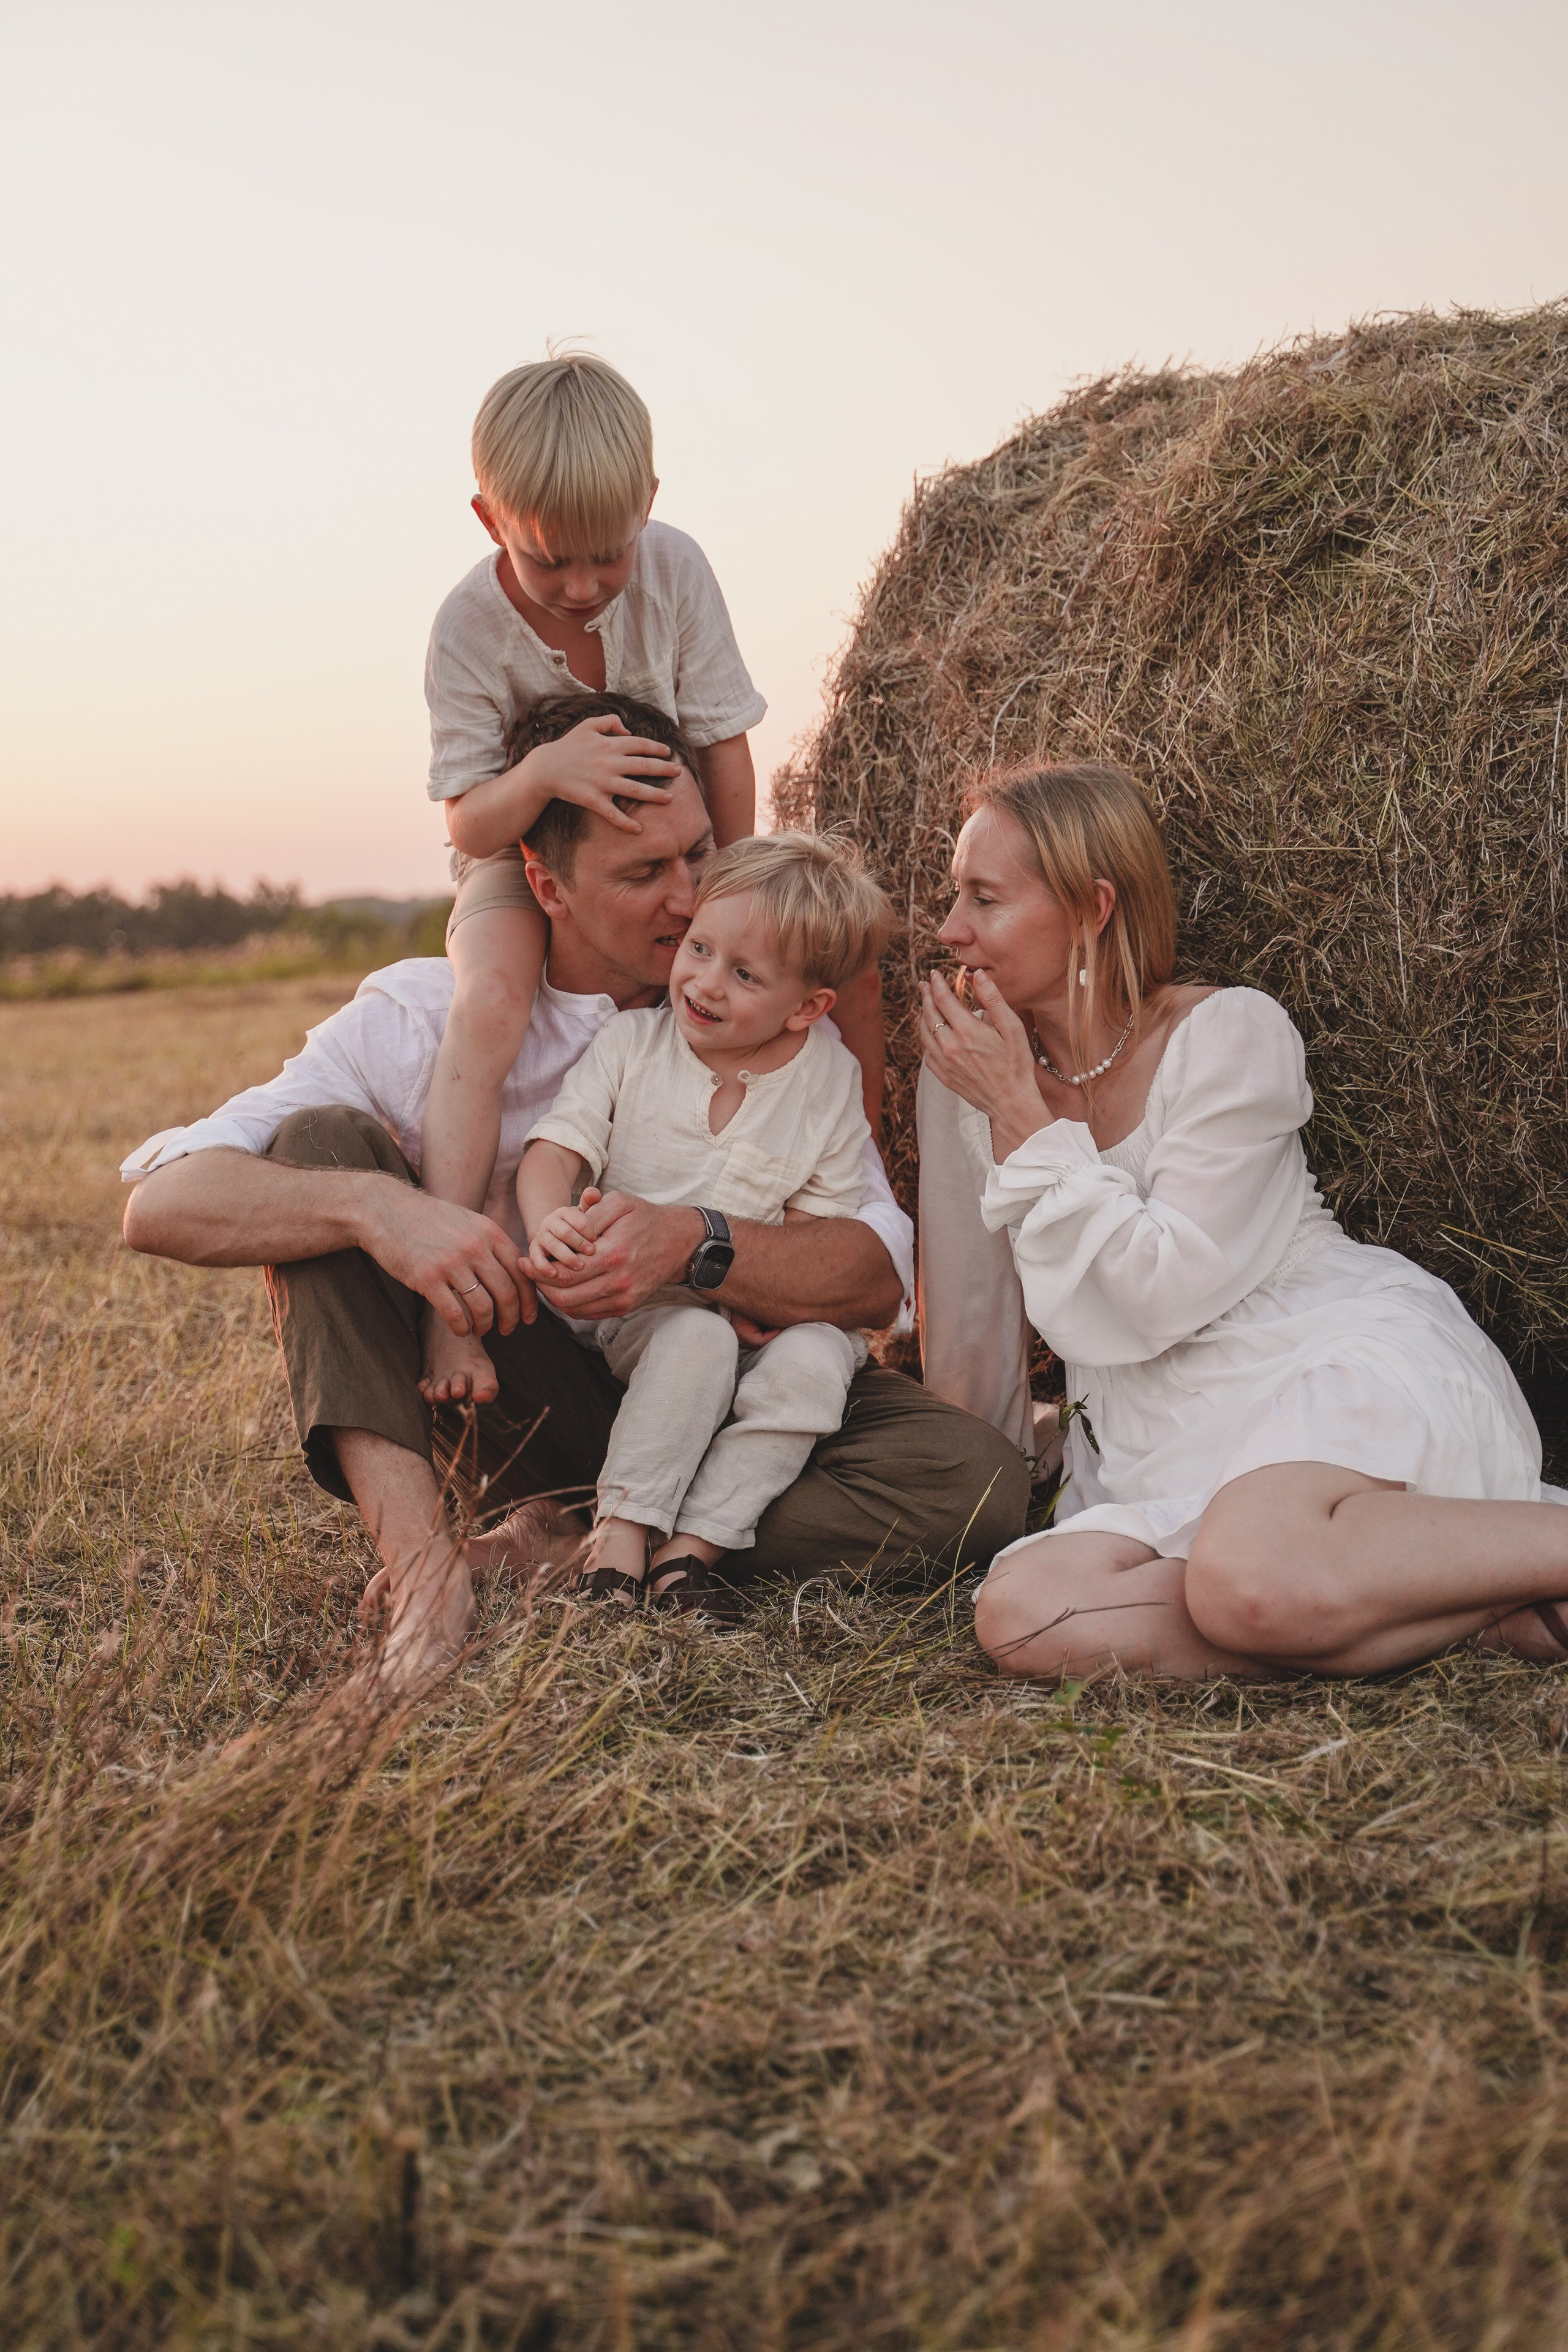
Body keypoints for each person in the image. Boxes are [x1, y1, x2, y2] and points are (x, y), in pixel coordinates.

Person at [119, 698, 1027, 1692]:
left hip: (737, 1387)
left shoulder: (774, 1034)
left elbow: (872, 1276)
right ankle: (429, 1573)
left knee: (979, 1482)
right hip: (536, 1397)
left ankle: (592, 1548)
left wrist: (698, 1243)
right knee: (318, 1151)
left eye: (696, 856)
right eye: (645, 875)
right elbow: (161, 1204)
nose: (690, 901)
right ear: (545, 885)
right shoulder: (426, 1021)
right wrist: (389, 1212)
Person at [915, 758, 1568, 1683]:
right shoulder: (963, 1079)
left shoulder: (1229, 1036)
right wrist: (978, 1488)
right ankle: (1465, 1611)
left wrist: (1025, 1122)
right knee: (1023, 1615)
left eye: (985, 899)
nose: (950, 931)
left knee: (1246, 1579)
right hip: (1150, 1443)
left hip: (1318, 1358)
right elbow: (974, 1330)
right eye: (954, 895)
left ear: (1093, 908)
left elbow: (1161, 1292)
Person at [420, 355, 886, 1410]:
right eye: (553, 564)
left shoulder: (677, 572)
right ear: (493, 521)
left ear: (651, 509)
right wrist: (541, 774)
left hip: (684, 842)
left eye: (608, 556)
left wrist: (729, 885)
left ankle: (851, 1225)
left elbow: (723, 743)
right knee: (490, 1002)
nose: (585, 586)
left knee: (832, 967)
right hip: (522, 852)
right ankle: (445, 1299)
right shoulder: (466, 626)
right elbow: (465, 815)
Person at [520, 832, 892, 1620]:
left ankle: (691, 1553)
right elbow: (553, 1153)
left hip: (752, 1319)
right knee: (697, 1340)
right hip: (640, 1314)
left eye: (744, 973)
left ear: (808, 1008)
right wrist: (549, 1219)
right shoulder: (631, 1046)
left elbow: (810, 1226)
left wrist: (778, 1307)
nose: (705, 982)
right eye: (699, 948)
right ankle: (617, 1543)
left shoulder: (829, 1081)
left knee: (821, 1361)